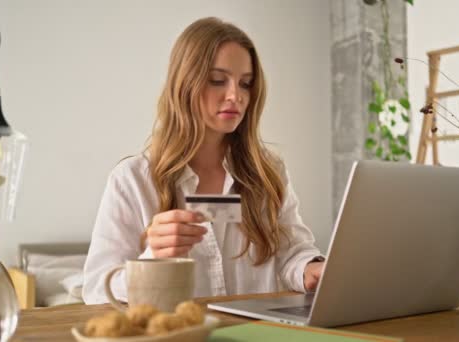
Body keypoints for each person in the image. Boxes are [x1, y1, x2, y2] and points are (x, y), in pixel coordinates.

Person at [82, 17, 324, 304]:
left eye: (246, 84)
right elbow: (97, 291)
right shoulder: (132, 180)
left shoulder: (269, 172)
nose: (236, 96)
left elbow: (291, 253)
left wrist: (311, 268)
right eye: (217, 81)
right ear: (185, 84)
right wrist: (153, 258)